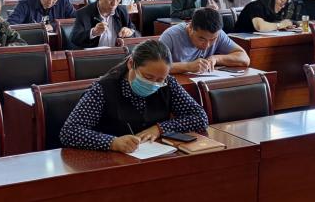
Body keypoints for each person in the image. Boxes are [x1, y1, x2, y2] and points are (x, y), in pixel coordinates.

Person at [59, 40, 208, 152]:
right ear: (131, 64)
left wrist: (159, 129)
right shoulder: (103, 89)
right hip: (111, 161)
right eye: (148, 77)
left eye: (160, 79)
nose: (154, 84)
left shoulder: (168, 84)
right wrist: (112, 142)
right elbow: (69, 132)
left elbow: (200, 117)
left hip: (155, 155)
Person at [159, 7, 249, 74]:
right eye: (201, 39)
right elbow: (156, 66)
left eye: (213, 40)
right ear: (190, 28)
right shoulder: (170, 36)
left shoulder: (219, 34)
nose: (207, 45)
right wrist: (188, 66)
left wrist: (216, 58)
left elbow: (245, 59)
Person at [71, 0, 138, 49]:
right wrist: (93, 32)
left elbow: (137, 35)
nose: (114, 4)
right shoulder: (83, 13)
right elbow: (74, 38)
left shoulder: (122, 11)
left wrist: (130, 32)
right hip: (94, 54)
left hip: (118, 53)